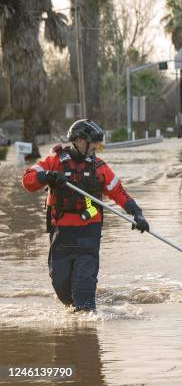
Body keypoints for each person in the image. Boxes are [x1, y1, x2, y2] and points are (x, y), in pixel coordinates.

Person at [22, 119, 149, 311]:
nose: (96, 147)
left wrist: (137, 213)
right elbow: (27, 180)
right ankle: (75, 317)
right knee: (61, 287)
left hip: (89, 232)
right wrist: (47, 175)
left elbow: (118, 192)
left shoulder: (99, 167)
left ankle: (87, 327)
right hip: (62, 233)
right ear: (80, 140)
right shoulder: (54, 161)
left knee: (84, 289)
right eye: (93, 143)